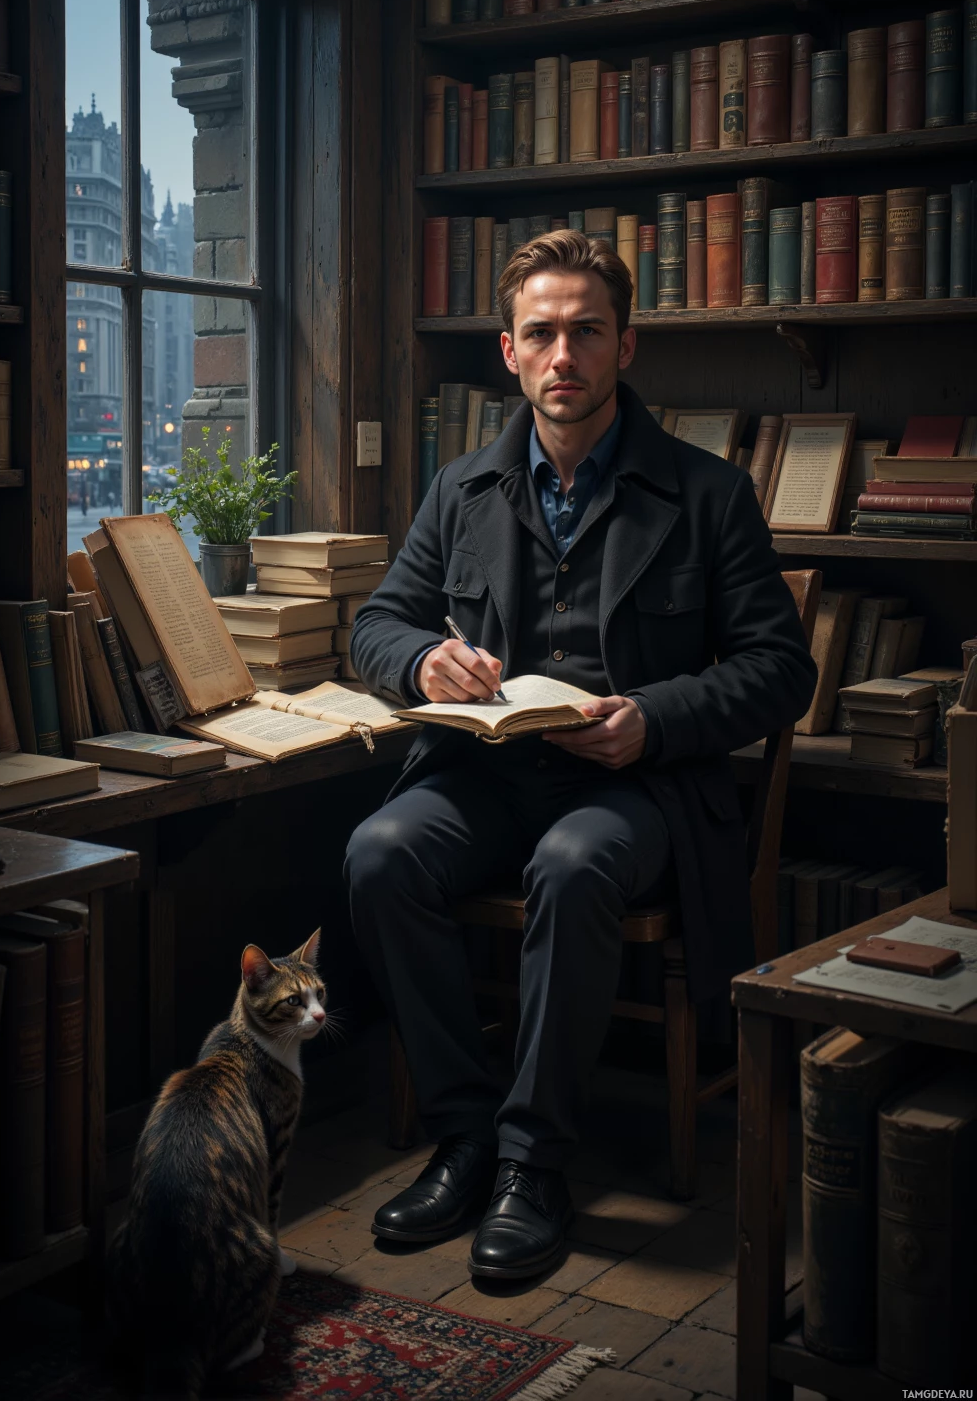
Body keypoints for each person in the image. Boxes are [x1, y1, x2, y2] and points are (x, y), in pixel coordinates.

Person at [345, 231, 815, 1281]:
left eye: (587, 333)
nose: (565, 355)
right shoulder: (459, 488)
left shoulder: (708, 493)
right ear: (508, 351)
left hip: (637, 789)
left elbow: (781, 671)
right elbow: (374, 627)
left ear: (625, 346)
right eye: (543, 334)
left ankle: (531, 1164)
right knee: (379, 852)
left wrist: (654, 716)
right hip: (487, 779)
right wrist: (423, 661)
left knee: (571, 864)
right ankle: (467, 1134)